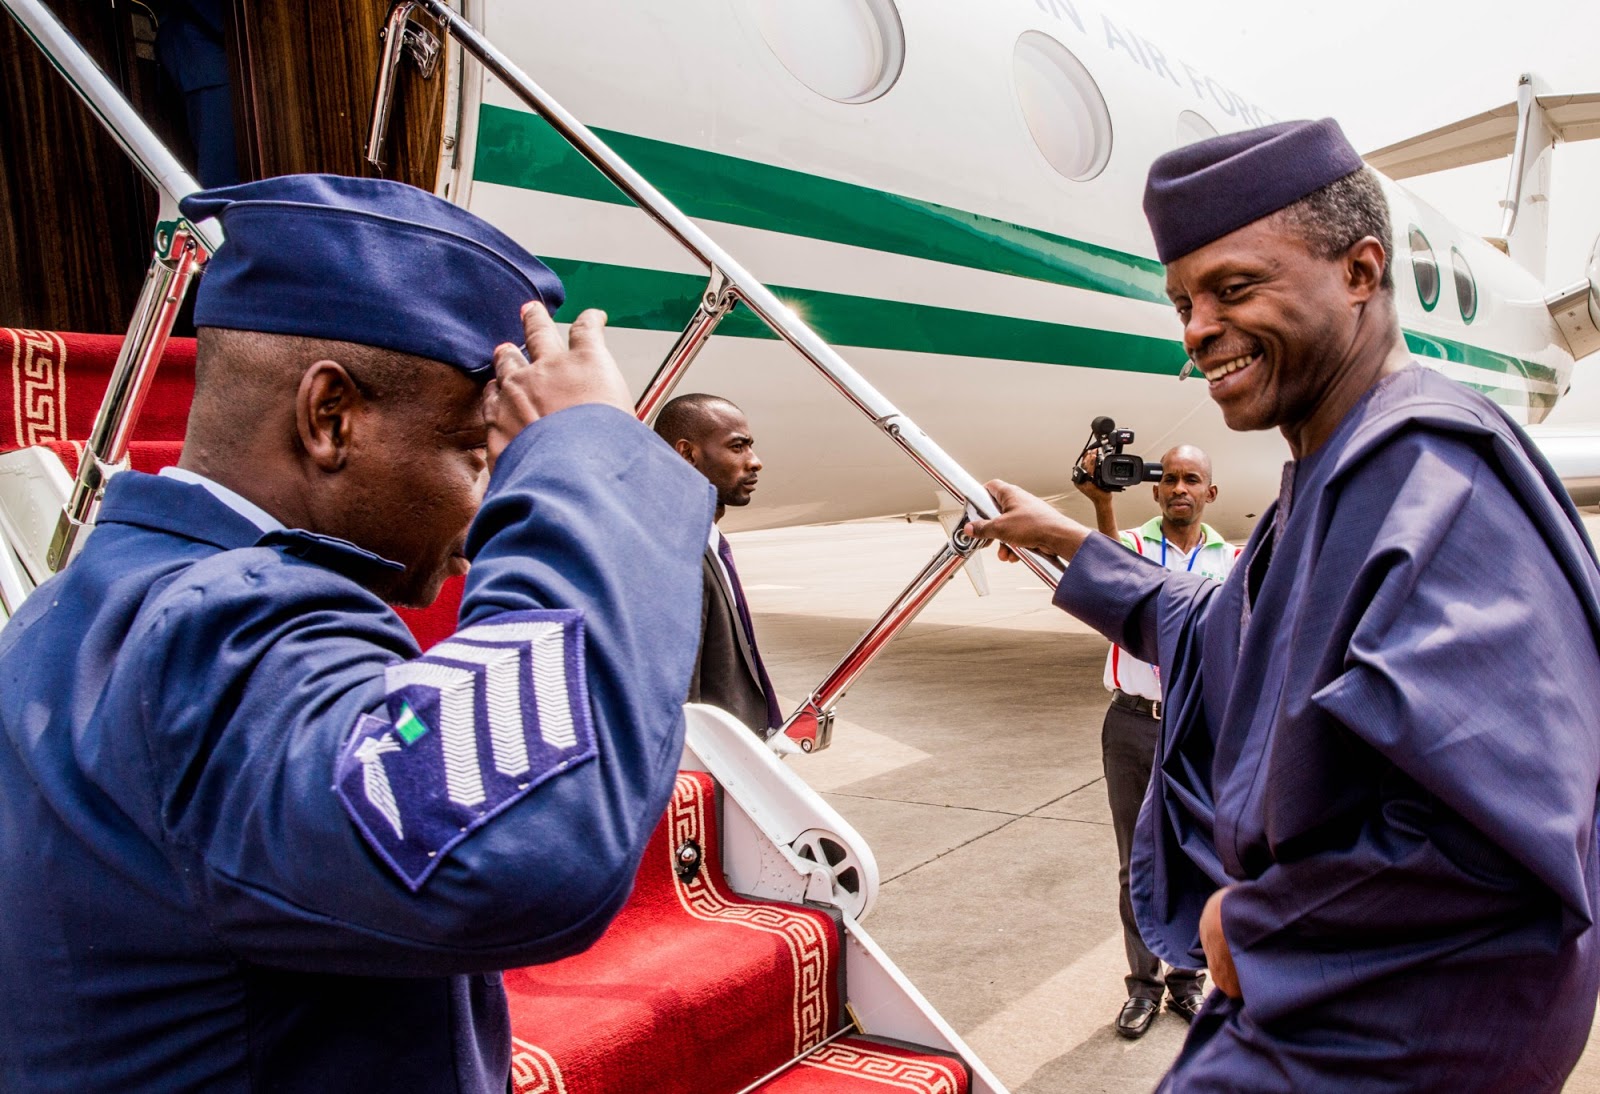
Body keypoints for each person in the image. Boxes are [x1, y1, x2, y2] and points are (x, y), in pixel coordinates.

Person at [0, 175, 715, 1092]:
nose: (479, 521)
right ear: (330, 417)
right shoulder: (219, 635)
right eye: (476, 457)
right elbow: (525, 840)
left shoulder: (81, 601)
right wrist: (585, 459)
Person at [967, 119, 1600, 1090]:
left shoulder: (1429, 480)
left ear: (1359, 271)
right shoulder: (1332, 469)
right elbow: (1230, 628)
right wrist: (1065, 542)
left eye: (1233, 288)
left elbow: (1491, 841)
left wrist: (1253, 921)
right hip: (1324, 990)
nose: (1195, 329)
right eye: (1183, 302)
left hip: (1394, 1029)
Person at [1078, 446, 1234, 1038]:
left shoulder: (1230, 559)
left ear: (1210, 493)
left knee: (1197, 854)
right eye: (1169, 479)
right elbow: (1106, 575)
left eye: (1191, 479)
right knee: (1134, 861)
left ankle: (1187, 980)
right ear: (1156, 490)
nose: (1179, 489)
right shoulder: (1133, 547)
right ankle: (1142, 986)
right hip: (1133, 723)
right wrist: (1102, 505)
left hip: (1198, 723)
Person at [653, 393, 782, 737]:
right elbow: (679, 700)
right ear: (687, 454)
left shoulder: (706, 539)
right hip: (713, 755)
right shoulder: (678, 554)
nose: (755, 462)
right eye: (737, 447)